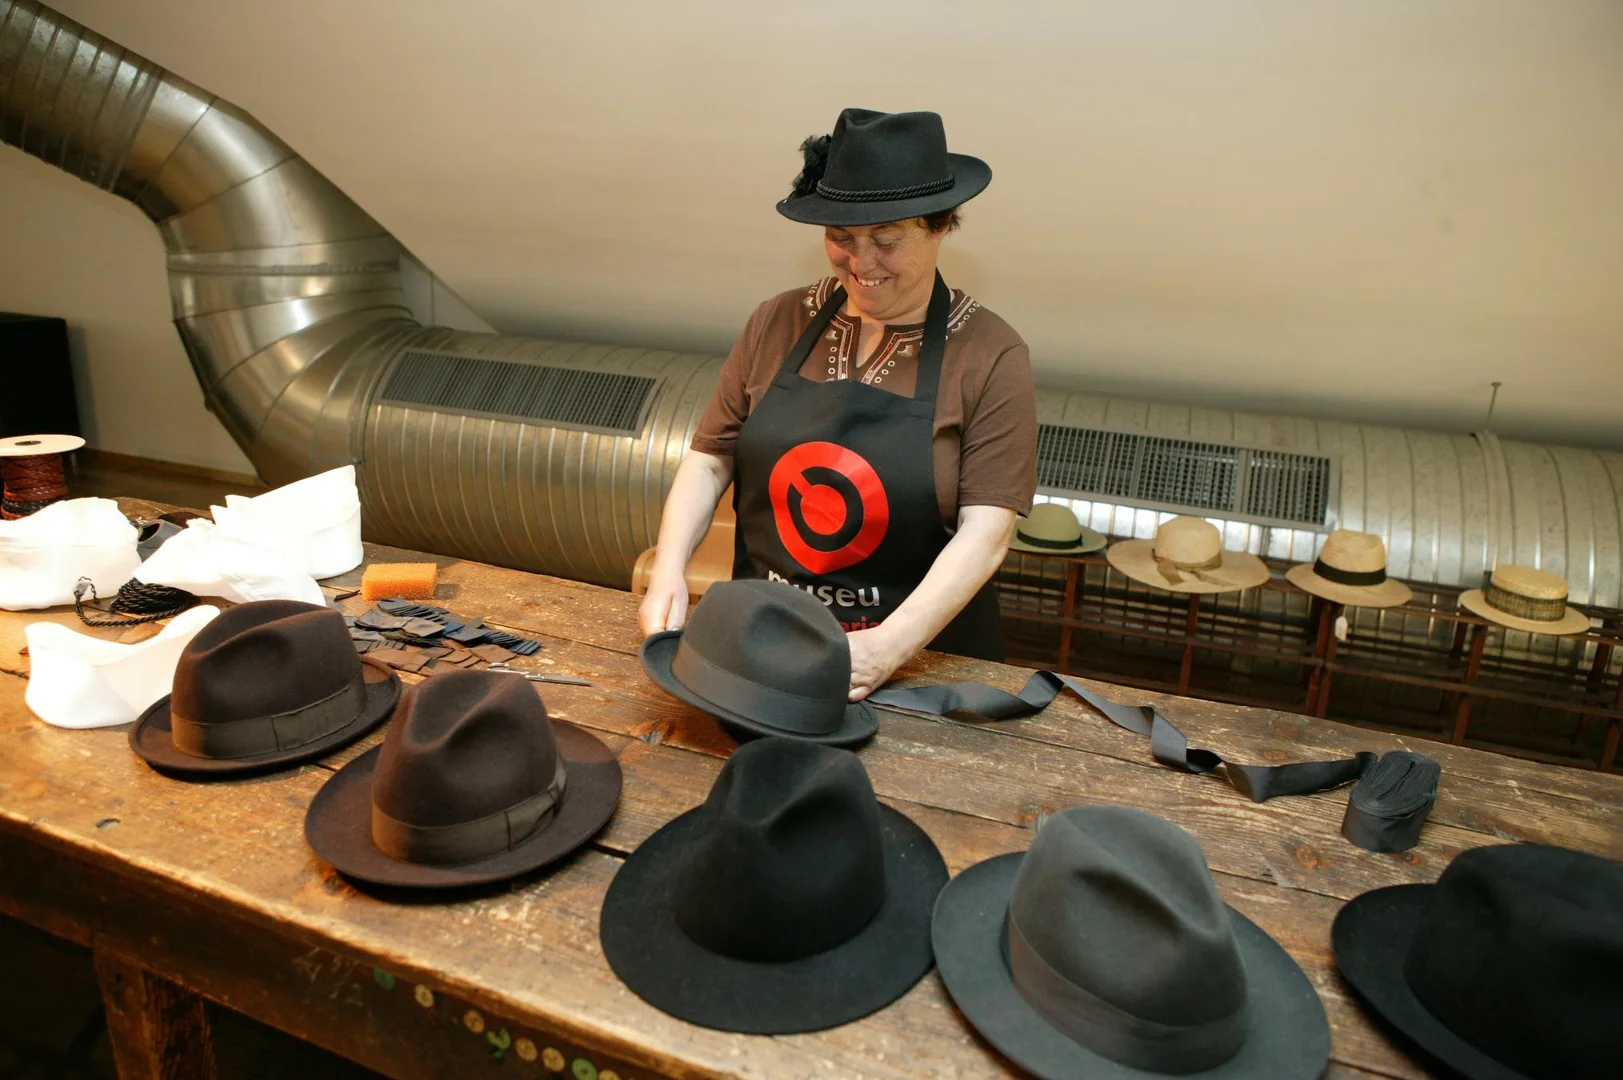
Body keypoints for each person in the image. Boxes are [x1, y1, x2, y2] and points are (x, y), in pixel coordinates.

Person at [638, 107, 1037, 701]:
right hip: (768, 644)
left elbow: (988, 532)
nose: (861, 262)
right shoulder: (777, 320)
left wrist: (889, 646)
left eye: (886, 241)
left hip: (923, 669)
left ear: (941, 226)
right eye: (841, 238)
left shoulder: (991, 353)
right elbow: (710, 459)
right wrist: (669, 568)